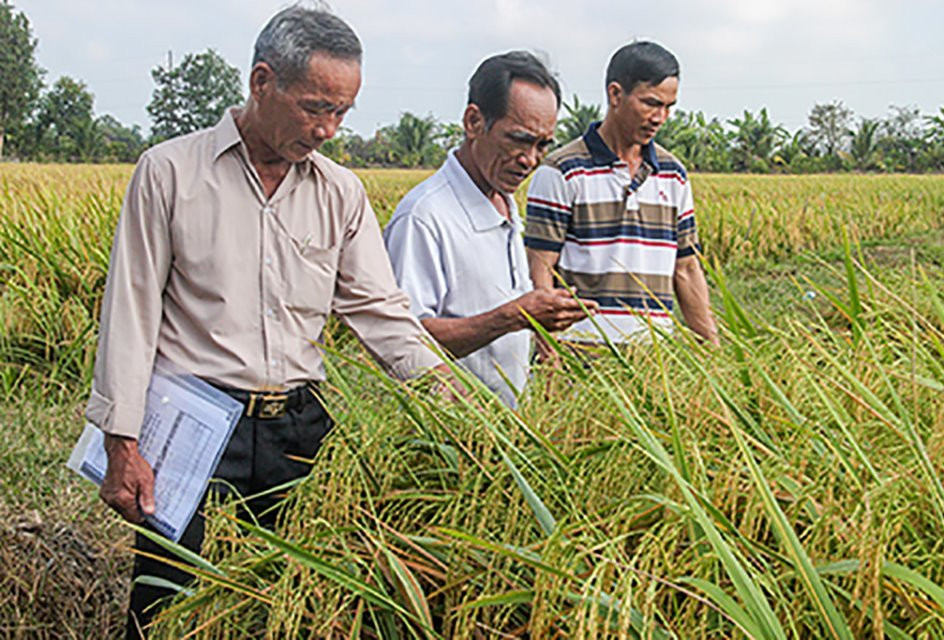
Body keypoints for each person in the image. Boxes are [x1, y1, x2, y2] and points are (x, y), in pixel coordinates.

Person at [85, 8, 444, 637]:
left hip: (299, 431)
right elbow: (132, 310)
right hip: (195, 427)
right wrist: (122, 440)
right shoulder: (169, 173)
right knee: (170, 604)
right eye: (314, 108)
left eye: (341, 113)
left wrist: (453, 400)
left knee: (293, 605)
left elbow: (381, 313)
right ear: (261, 81)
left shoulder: (341, 193)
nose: (328, 129)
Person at [383, 52, 596, 406]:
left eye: (542, 145)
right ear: (474, 122)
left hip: (502, 435)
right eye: (518, 139)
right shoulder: (424, 217)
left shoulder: (506, 204)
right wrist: (514, 316)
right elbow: (402, 340)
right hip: (447, 439)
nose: (530, 160)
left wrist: (541, 330)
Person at [524, 42, 718, 349]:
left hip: (656, 361)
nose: (660, 117)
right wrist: (549, 351)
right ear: (615, 95)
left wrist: (713, 354)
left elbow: (687, 269)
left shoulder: (673, 174)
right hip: (581, 355)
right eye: (651, 103)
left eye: (669, 107)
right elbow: (539, 269)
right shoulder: (562, 171)